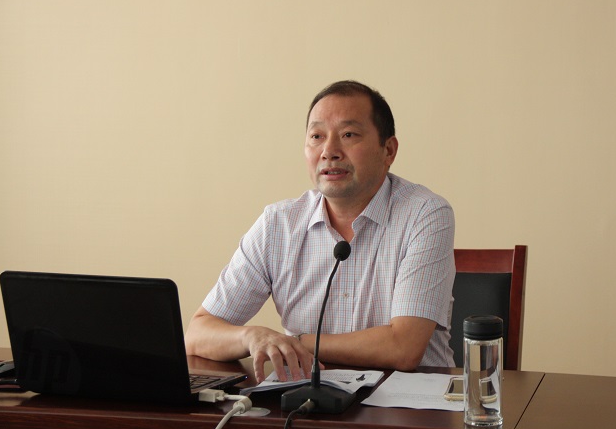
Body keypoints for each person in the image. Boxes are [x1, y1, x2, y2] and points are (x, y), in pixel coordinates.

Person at [185, 80, 456, 384]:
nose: (329, 151)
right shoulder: (278, 224)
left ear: (388, 150)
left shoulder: (424, 214)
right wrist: (252, 337)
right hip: (309, 401)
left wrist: (297, 343)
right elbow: (197, 334)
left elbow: (403, 348)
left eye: (348, 135)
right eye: (317, 136)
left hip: (410, 403)